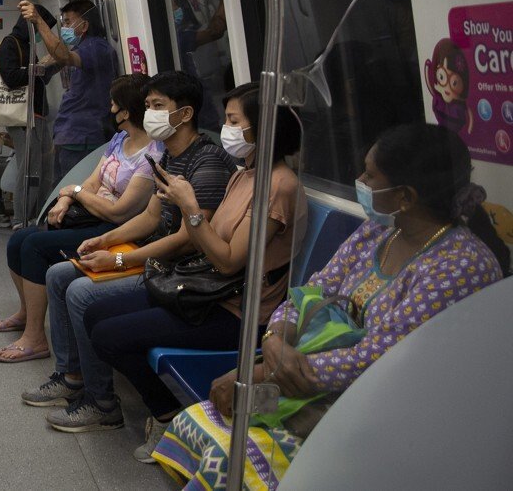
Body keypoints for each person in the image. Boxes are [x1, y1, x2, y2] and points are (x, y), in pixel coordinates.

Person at [152, 123, 508, 488]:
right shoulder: (382, 231)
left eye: (370, 175)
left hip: (376, 409)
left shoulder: (459, 266)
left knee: (231, 459)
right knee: (199, 418)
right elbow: (315, 290)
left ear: (405, 196)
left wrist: (260, 377)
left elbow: (377, 359)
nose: (359, 179)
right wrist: (274, 338)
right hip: (308, 382)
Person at [78, 84, 305, 456]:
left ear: (263, 129)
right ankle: (168, 410)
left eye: (234, 121)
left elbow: (229, 259)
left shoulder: (278, 186)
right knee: (95, 311)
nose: (227, 129)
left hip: (237, 311)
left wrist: (191, 209)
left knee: (108, 335)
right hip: (209, 289)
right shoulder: (243, 175)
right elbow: (205, 240)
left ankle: (168, 416)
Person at [21, 72, 235, 423]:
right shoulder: (169, 157)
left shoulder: (206, 163)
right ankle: (71, 376)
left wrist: (119, 259)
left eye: (157, 106)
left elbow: (185, 239)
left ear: (184, 114)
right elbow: (152, 217)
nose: (148, 113)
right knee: (59, 274)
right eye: (147, 105)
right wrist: (103, 241)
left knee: (79, 293)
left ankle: (101, 402)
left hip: (178, 270)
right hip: (154, 256)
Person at [0, 74, 160, 362]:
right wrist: (69, 196)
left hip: (116, 228)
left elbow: (122, 211)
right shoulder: (120, 139)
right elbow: (92, 182)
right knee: (19, 238)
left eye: (114, 104)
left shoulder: (153, 153)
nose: (110, 109)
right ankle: (26, 312)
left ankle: (35, 338)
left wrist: (77, 193)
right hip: (94, 215)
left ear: (127, 110)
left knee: (34, 247)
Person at [21, 0, 117, 179]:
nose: (64, 27)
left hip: (84, 136)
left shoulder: (96, 48)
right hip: (71, 134)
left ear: (84, 25)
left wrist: (39, 22)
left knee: (72, 191)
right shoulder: (81, 46)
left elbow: (64, 57)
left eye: (67, 22)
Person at [0, 3, 60, 228]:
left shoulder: (27, 44)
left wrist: (52, 66)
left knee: (43, 167)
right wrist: (38, 69)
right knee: (29, 168)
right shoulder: (10, 44)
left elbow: (37, 79)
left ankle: (39, 213)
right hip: (23, 117)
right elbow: (11, 77)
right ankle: (21, 218)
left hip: (37, 112)